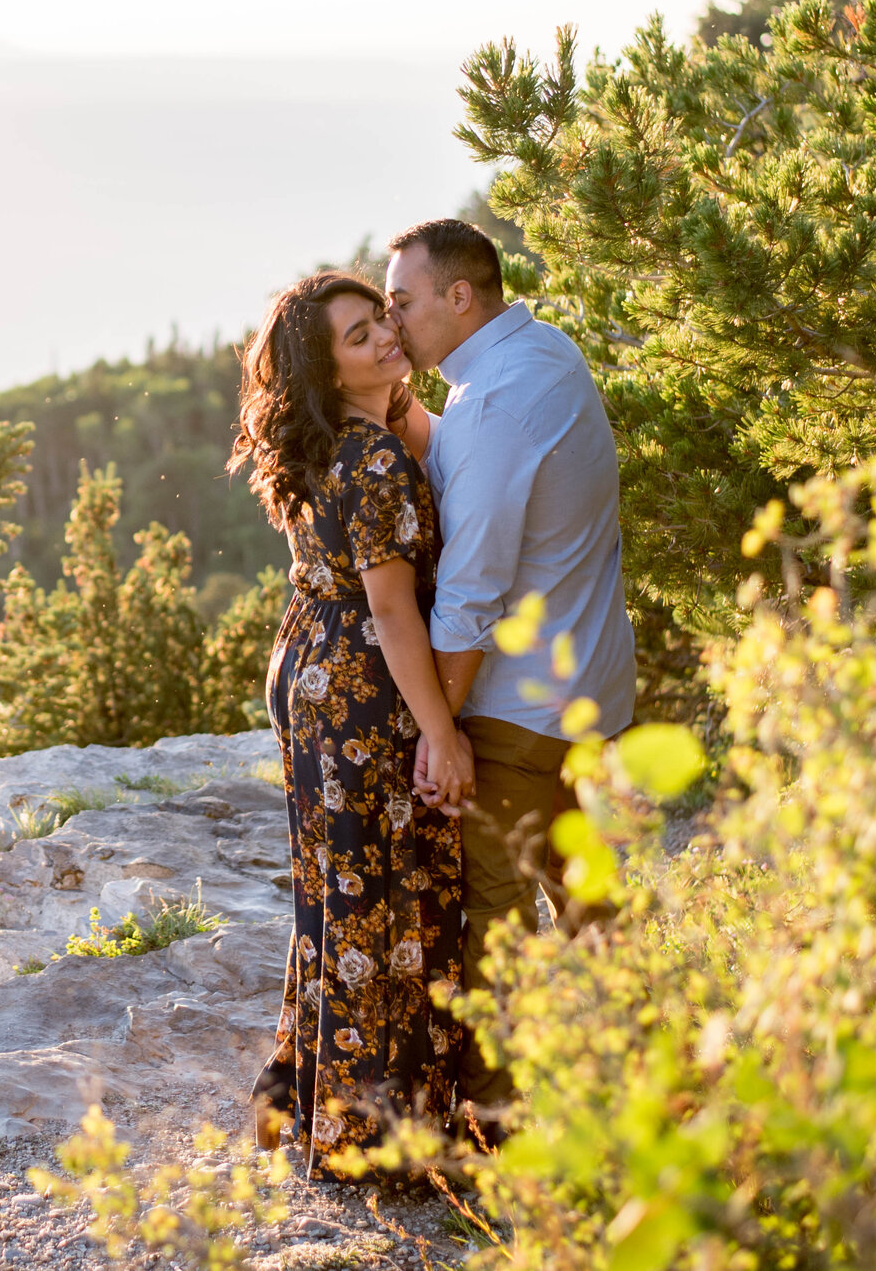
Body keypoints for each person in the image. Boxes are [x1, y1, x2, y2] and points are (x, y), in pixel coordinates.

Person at [381, 218, 637, 1117]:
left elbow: (470, 594)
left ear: (459, 297)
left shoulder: (491, 406)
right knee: (590, 909)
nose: (392, 316)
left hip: (518, 718)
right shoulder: (542, 353)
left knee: (490, 924)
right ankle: (625, 1100)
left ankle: (500, 1128)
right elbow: (482, 452)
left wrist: (439, 728)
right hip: (595, 698)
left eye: (403, 300)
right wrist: (413, 416)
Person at [228, 271, 476, 1173]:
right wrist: (442, 731)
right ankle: (373, 1136)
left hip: (311, 667)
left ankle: (311, 1098)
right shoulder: (370, 460)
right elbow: (396, 611)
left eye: (382, 320)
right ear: (326, 371)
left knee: (338, 895)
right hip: (366, 687)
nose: (383, 338)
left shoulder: (340, 439)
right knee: (390, 899)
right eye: (358, 335)